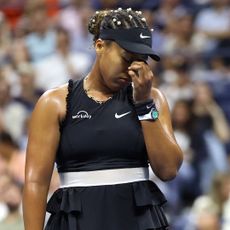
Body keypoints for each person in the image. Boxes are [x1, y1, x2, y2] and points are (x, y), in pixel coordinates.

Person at [23, 8, 183, 230]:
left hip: (138, 220)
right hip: (78, 221)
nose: (132, 71)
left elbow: (168, 170)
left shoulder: (152, 98)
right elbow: (36, 183)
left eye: (140, 62)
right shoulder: (54, 103)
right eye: (127, 59)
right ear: (100, 46)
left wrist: (144, 104)